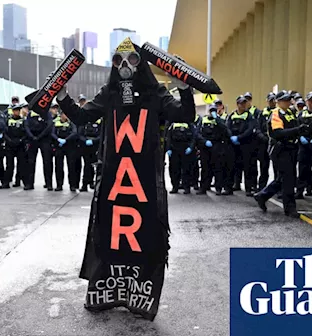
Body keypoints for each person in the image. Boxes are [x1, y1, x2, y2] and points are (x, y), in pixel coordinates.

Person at [56, 38, 195, 320]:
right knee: (111, 232)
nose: (124, 66)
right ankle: (109, 291)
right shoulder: (109, 93)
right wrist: (62, 97)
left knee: (144, 234)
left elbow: (185, 115)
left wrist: (182, 87)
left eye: (131, 60)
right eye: (118, 61)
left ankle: (139, 293)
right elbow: (82, 117)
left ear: (140, 63)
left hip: (144, 183)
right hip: (115, 181)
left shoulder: (156, 93)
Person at [254, 91, 308, 217]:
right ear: (277, 102)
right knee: (288, 179)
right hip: (280, 149)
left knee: (282, 178)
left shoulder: (290, 112)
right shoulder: (275, 114)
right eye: (285, 100)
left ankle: (262, 195)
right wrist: (297, 130)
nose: (288, 102)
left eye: (289, 99)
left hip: (291, 148)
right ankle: (290, 208)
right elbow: (278, 133)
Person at [226, 94, 259, 196]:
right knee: (231, 166)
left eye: (244, 103)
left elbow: (250, 129)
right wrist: (231, 137)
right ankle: (230, 187)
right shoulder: (232, 115)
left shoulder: (249, 116)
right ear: (237, 104)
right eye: (241, 103)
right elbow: (227, 128)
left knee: (247, 167)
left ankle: (248, 188)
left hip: (246, 144)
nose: (243, 105)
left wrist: (239, 138)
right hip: (233, 145)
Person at [196, 105, 232, 195]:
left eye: (214, 110)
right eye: (211, 111)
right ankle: (203, 187)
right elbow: (197, 133)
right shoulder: (203, 120)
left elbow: (225, 129)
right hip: (205, 146)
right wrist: (204, 141)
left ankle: (218, 188)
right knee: (205, 168)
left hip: (217, 146)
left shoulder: (220, 120)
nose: (212, 112)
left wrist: (217, 119)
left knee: (218, 168)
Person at [25, 102, 54, 190]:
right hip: (32, 139)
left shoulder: (46, 113)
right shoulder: (31, 114)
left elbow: (49, 126)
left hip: (44, 139)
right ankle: (30, 183)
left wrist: (40, 136)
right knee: (30, 162)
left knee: (47, 162)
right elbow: (26, 126)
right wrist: (32, 137)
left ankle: (49, 184)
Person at [165, 116, 196, 194]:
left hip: (185, 149)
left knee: (186, 169)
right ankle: (175, 187)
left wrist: (191, 147)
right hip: (174, 149)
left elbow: (194, 137)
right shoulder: (173, 124)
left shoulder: (189, 124)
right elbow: (168, 137)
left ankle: (186, 187)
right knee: (174, 169)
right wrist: (168, 148)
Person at [3, 103, 31, 189]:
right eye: (15, 110)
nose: (17, 112)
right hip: (10, 145)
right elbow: (4, 132)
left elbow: (26, 132)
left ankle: (22, 182)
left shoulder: (23, 120)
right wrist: (9, 140)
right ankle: (6, 182)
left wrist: (21, 140)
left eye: (18, 110)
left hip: (20, 145)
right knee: (9, 165)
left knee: (22, 165)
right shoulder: (8, 120)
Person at [51, 110, 79, 191]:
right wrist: (58, 139)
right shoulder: (56, 122)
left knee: (71, 166)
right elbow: (52, 133)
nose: (65, 116)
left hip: (69, 146)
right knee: (59, 166)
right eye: (64, 114)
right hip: (59, 146)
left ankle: (72, 185)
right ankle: (59, 185)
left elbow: (74, 132)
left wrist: (66, 140)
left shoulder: (71, 122)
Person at [254, 93, 276, 190]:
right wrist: (263, 137)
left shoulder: (278, 112)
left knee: (277, 167)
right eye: (270, 100)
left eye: (274, 100)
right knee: (263, 166)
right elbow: (257, 127)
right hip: (264, 143)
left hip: (275, 142)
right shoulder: (262, 113)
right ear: (267, 101)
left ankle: (277, 188)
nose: (272, 102)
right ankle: (262, 187)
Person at [78, 115, 103, 191]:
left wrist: (94, 141)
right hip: (86, 146)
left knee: (95, 165)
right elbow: (80, 133)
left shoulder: (100, 122)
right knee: (87, 165)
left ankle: (94, 183)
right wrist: (85, 140)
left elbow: (102, 134)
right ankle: (85, 184)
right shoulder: (85, 121)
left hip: (96, 146)